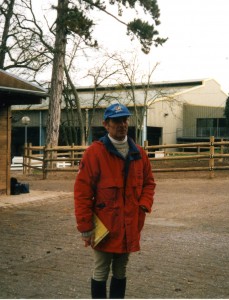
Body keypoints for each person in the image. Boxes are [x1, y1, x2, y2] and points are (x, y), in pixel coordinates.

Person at [74, 103, 156, 299]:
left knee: (121, 270)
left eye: (125, 120)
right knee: (101, 270)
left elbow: (149, 183)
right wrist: (85, 227)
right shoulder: (95, 153)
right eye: (117, 121)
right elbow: (82, 192)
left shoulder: (139, 153)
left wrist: (143, 206)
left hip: (129, 224)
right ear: (106, 124)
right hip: (104, 226)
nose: (122, 124)